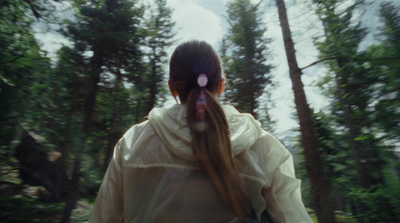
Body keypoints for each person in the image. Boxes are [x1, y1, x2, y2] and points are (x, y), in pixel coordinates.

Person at [89, 40, 312, 223]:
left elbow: (103, 217)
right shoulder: (264, 148)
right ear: (222, 85)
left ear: (172, 88)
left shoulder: (133, 143)